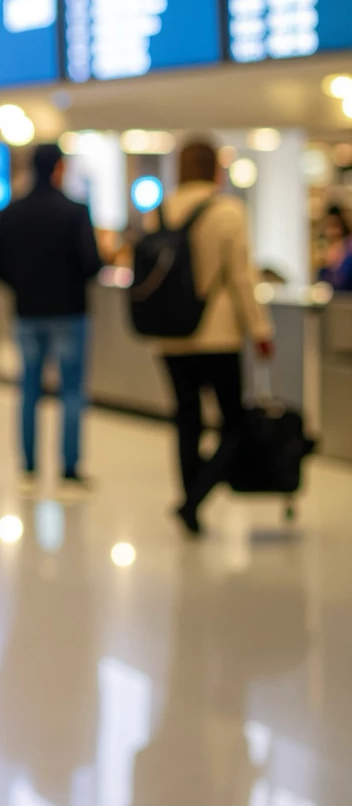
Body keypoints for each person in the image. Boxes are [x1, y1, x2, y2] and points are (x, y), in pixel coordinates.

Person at [156, 139, 273, 536]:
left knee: (186, 419)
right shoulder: (227, 211)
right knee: (234, 423)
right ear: (215, 170)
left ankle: (190, 499)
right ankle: (195, 498)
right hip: (217, 334)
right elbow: (242, 276)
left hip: (171, 334)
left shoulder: (162, 210)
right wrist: (260, 328)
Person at [0, 143, 101, 487]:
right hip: (69, 311)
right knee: (71, 391)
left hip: (27, 311)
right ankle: (69, 467)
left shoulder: (11, 212)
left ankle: (29, 464)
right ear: (59, 168)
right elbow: (91, 263)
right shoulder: (75, 211)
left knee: (29, 388)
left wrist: (24, 287)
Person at [318, 203, 352, 290]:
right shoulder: (325, 249)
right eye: (328, 227)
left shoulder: (348, 246)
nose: (331, 231)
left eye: (334, 226)